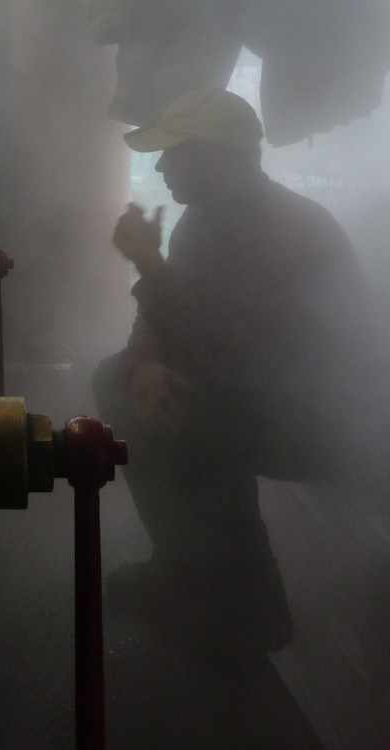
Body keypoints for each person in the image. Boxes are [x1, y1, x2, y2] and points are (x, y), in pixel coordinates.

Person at [93, 87, 388, 657]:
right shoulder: (202, 222)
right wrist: (148, 360)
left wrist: (150, 267)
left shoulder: (289, 234)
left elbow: (233, 359)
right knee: (120, 381)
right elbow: (166, 317)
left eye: (172, 154)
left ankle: (253, 612)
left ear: (216, 159)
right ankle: (181, 568)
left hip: (334, 425)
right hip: (265, 397)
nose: (160, 167)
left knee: (197, 420)